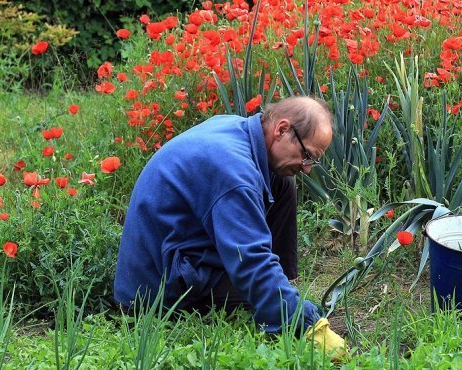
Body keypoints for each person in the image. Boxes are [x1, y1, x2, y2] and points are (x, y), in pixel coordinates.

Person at [114, 96, 345, 357]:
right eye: (307, 156)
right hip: (156, 291)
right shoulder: (235, 173)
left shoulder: (241, 130)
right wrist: (305, 323)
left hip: (181, 250)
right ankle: (282, 307)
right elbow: (250, 260)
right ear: (282, 130)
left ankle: (280, 288)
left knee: (283, 181)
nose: (306, 169)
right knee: (265, 292)